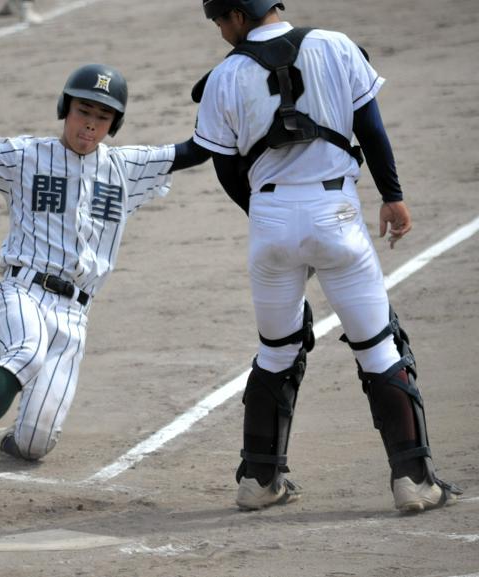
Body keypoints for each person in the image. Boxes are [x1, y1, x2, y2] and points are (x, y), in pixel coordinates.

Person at [193, 0, 461, 512]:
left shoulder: (224, 77)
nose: (221, 32)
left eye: (219, 21)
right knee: (379, 344)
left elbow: (226, 170)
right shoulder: (336, 45)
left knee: (276, 349)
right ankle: (414, 481)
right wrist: (392, 196)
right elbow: (372, 129)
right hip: (336, 214)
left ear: (237, 16)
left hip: (269, 218)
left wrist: (268, 215)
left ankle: (259, 482)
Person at [0, 63, 210, 486]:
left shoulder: (128, 167)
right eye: (83, 111)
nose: (90, 125)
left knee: (37, 444)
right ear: (65, 108)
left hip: (75, 317)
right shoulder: (24, 155)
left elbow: (196, 150)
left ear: (114, 123)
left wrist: (224, 102)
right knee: (27, 350)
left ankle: (2, 438)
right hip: (22, 291)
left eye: (102, 117)